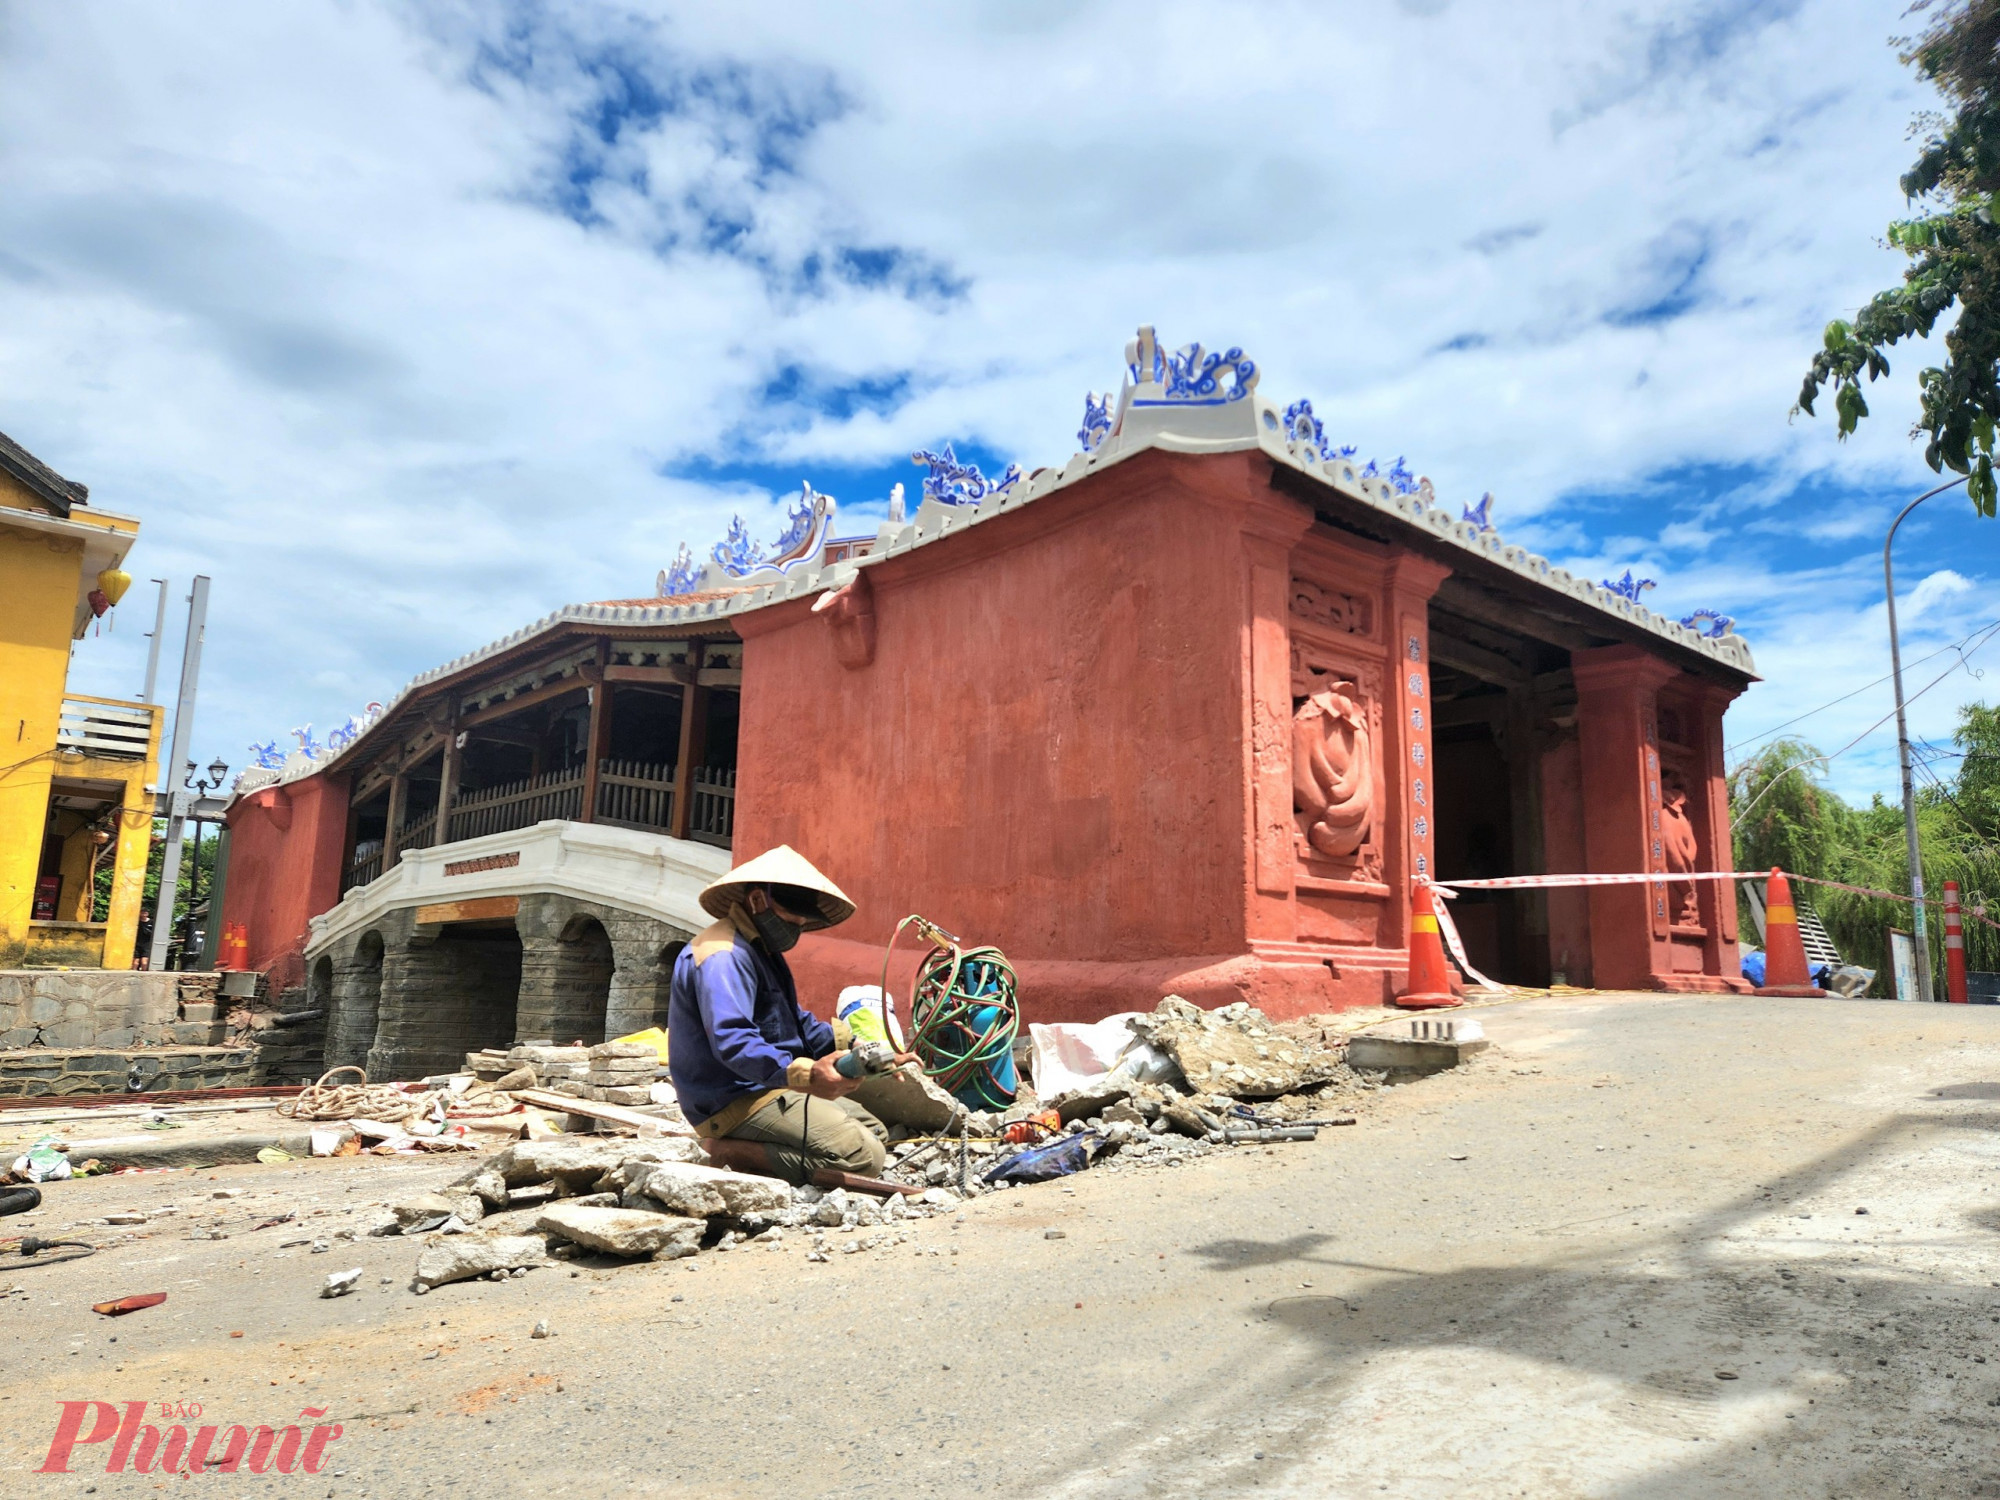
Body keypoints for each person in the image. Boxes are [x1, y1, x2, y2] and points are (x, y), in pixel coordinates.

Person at [667, 845, 887, 1185]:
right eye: (790, 918)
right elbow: (734, 1042)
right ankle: (722, 1149)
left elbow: (795, 1023)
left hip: (767, 1085)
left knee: (876, 1133)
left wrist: (865, 1046)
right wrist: (806, 1074)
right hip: (733, 1099)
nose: (797, 927)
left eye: (802, 920)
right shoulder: (723, 956)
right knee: (862, 1158)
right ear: (757, 901)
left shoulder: (761, 948)